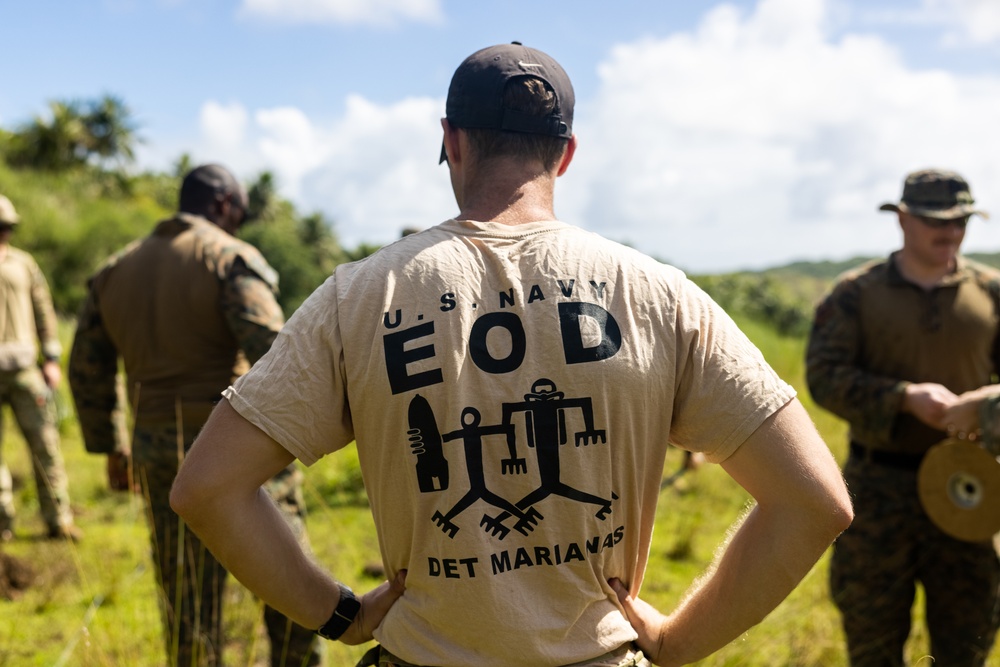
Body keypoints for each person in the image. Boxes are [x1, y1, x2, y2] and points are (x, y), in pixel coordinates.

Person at [170, 44, 853, 667]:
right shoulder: (655, 293)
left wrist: (339, 612)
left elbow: (207, 488)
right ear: (566, 152)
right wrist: (680, 641)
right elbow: (814, 500)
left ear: (451, 141)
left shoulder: (359, 296)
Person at [68, 165, 322, 667]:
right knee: (291, 590)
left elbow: (86, 370)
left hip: (156, 454)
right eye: (239, 215)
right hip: (236, 451)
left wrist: (111, 445)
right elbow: (273, 350)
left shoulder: (114, 271)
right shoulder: (227, 258)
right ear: (224, 203)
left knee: (186, 601)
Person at [806, 168, 1000, 666]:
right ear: (904, 220)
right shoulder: (856, 293)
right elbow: (824, 375)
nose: (951, 231)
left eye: (961, 220)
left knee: (967, 642)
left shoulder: (992, 293)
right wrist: (902, 398)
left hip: (971, 488)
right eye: (938, 219)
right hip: (877, 492)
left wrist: (988, 401)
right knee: (872, 641)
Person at [0, 193, 81, 542]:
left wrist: (50, 358)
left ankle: (58, 519)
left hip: (23, 369)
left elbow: (43, 310)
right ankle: (3, 522)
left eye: (5, 227)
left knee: (45, 444)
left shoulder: (23, 264)